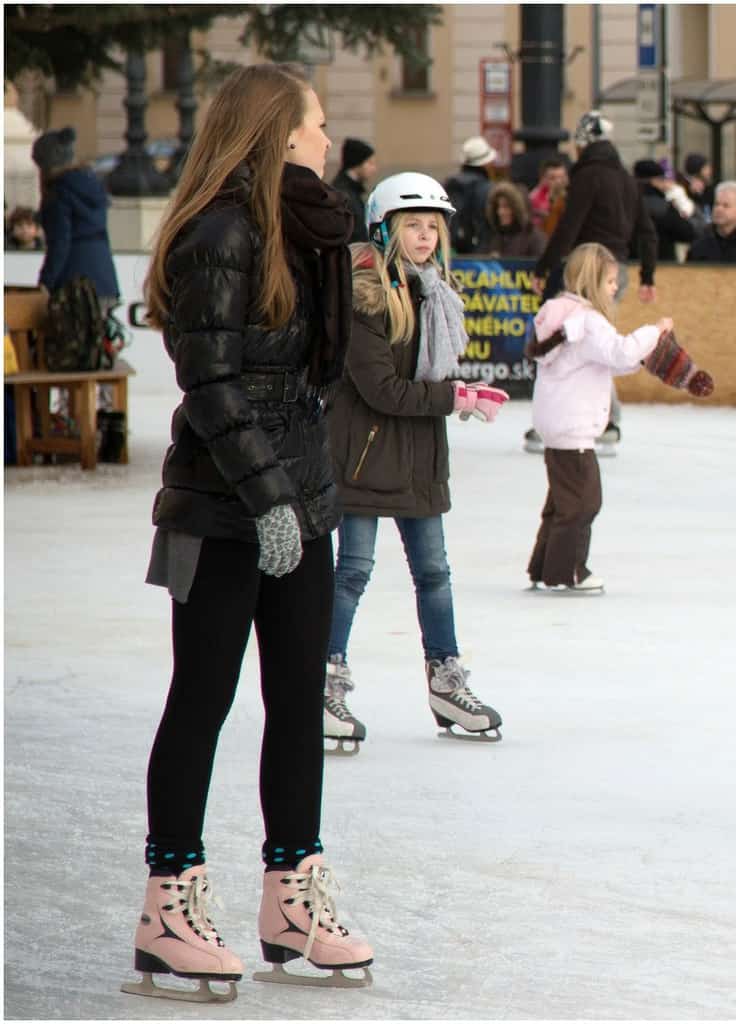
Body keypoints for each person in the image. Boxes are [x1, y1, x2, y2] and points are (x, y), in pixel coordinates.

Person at [135, 62, 372, 1001]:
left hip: (300, 503)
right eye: (314, 125)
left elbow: (306, 377)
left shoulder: (299, 231)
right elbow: (212, 381)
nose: (325, 140)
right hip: (218, 507)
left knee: (296, 697)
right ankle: (169, 899)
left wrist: (299, 499)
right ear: (276, 131)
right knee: (203, 696)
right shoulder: (219, 232)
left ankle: (292, 892)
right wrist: (267, 496)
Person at [322, 171, 510, 749]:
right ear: (385, 228)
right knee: (351, 573)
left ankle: (445, 682)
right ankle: (322, 682)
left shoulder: (433, 291)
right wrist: (453, 396)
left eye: (433, 227)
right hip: (363, 456)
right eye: (413, 226)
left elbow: (424, 378)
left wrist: (462, 392)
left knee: (435, 575)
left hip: (419, 455)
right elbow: (380, 388)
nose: (425, 236)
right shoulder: (365, 293)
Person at [526, 242, 712, 593]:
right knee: (583, 502)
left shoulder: (557, 312)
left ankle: (544, 567)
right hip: (574, 426)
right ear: (593, 281)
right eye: (611, 282)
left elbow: (613, 361)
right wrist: (654, 331)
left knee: (562, 501)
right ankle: (569, 572)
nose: (614, 289)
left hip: (556, 424)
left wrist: (646, 354)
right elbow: (620, 350)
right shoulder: (588, 322)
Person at [530, 111, 659, 454]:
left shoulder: (587, 176)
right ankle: (600, 420)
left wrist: (543, 268)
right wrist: (647, 275)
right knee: (595, 340)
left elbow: (569, 227)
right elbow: (647, 230)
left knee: (581, 341)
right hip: (618, 270)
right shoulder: (626, 178)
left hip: (589, 270)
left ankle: (604, 421)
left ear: (584, 142)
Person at [31, 127, 120, 305]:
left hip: (75, 286)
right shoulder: (92, 185)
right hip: (105, 280)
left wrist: (45, 283)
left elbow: (60, 244)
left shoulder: (58, 194)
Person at [633, 157, 701, 261]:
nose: (664, 184)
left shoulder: (623, 203)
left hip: (629, 262)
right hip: (661, 264)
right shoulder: (662, 207)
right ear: (654, 181)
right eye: (662, 180)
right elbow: (687, 233)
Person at [444, 135, 497, 255]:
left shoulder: (450, 184)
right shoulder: (489, 188)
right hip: (481, 251)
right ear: (486, 164)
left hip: (452, 250)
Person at [330, 138, 376, 244]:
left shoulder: (351, 190)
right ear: (357, 162)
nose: (374, 169)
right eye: (370, 163)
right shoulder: (343, 193)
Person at [485, 181, 547, 260]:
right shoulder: (496, 237)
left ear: (518, 209)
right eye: (498, 206)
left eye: (506, 206)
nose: (500, 212)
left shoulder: (535, 238)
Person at [528, 158, 569, 235]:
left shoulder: (572, 194)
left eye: (562, 177)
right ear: (543, 179)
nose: (558, 182)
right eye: (552, 178)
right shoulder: (534, 199)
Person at [678, 152, 714, 219]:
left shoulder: (709, 189)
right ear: (697, 169)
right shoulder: (682, 189)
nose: (710, 171)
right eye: (706, 168)